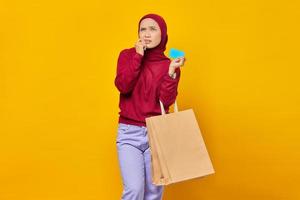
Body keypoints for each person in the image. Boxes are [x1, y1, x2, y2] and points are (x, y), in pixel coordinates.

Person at [114, 13, 186, 200]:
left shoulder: (167, 64)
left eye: (153, 29)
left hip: (157, 134)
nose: (147, 33)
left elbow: (166, 101)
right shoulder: (127, 55)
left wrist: (172, 72)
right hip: (129, 133)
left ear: (163, 35)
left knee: (154, 193)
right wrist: (138, 56)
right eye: (143, 29)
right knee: (134, 190)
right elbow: (123, 85)